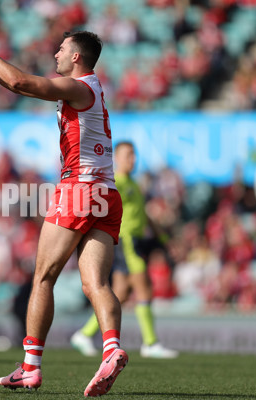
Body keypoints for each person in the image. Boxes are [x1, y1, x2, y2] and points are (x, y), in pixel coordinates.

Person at [0, 15, 128, 397]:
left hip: (78, 189)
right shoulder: (93, 88)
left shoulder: (77, 87)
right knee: (97, 284)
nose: (55, 52)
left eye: (61, 49)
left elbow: (20, 82)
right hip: (106, 195)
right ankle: (111, 348)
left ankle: (30, 368)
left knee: (43, 277)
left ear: (77, 57)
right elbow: (15, 86)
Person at [71, 141, 179, 359]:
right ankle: (150, 343)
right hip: (126, 241)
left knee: (120, 293)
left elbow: (143, 214)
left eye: (134, 155)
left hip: (135, 240)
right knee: (144, 286)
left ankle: (84, 333)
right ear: (117, 158)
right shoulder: (117, 182)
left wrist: (162, 235)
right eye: (128, 155)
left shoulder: (133, 184)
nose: (133, 159)